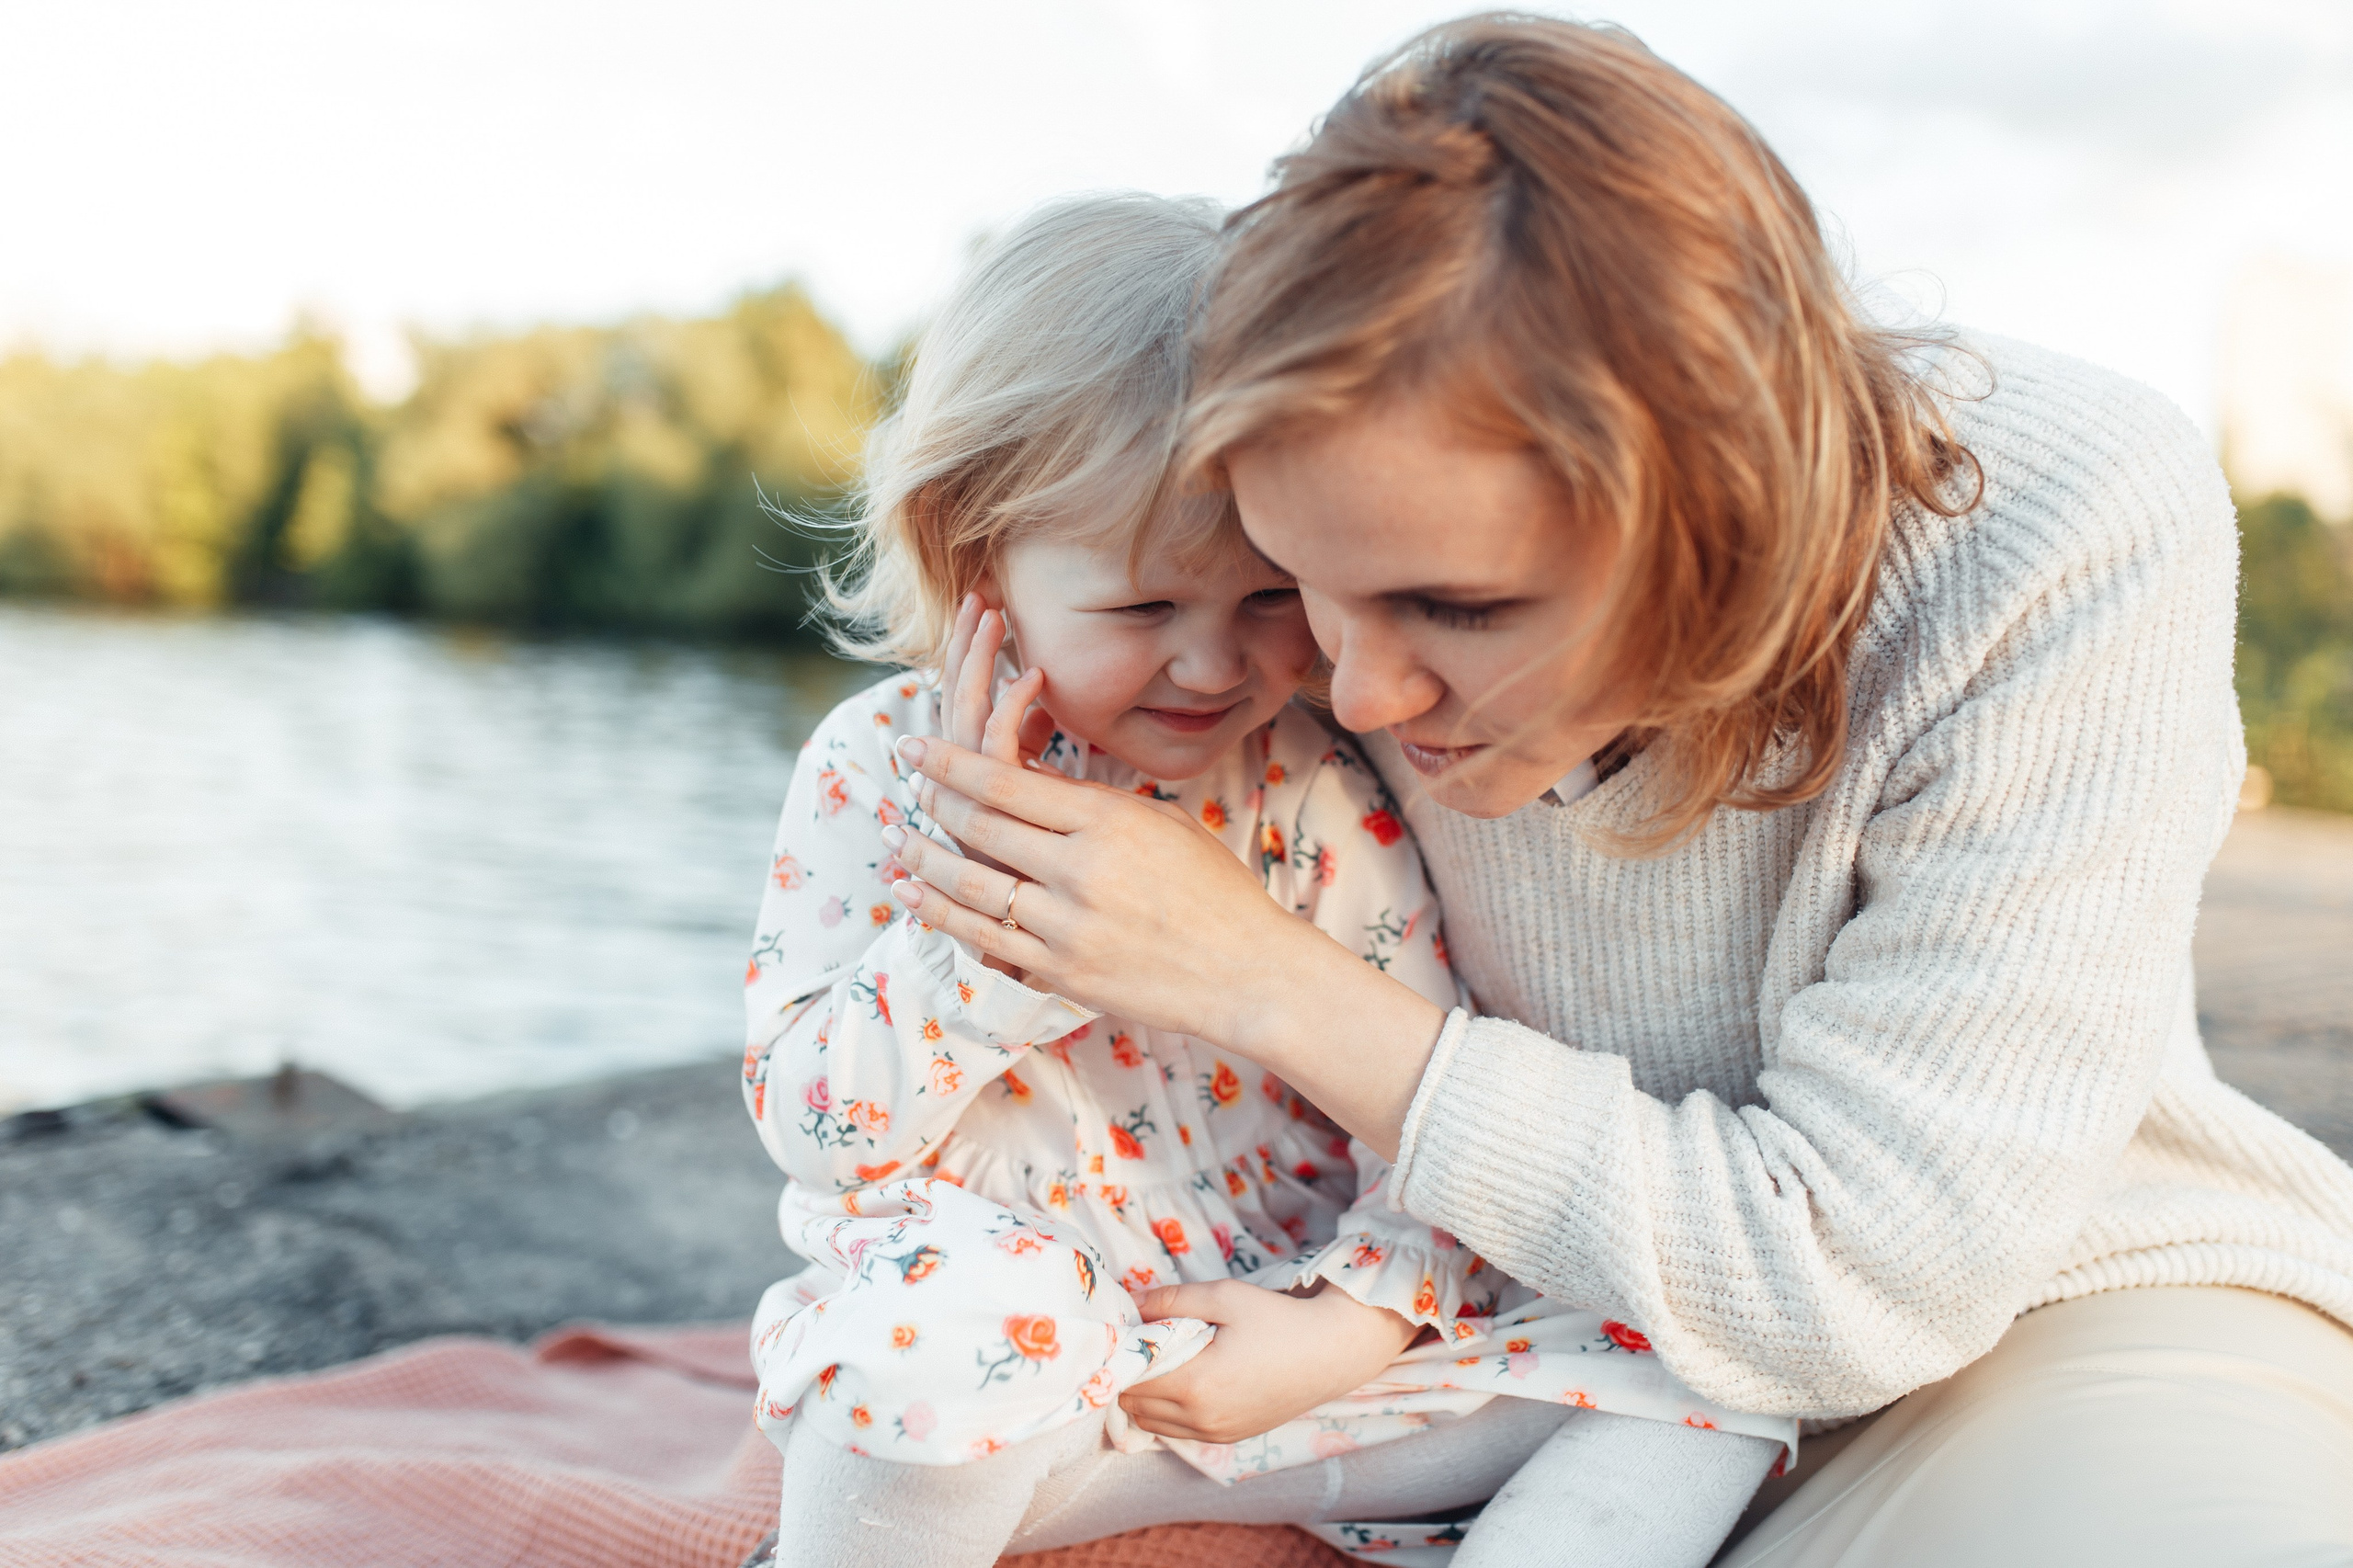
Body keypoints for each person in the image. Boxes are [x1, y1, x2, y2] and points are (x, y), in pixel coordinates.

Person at [876, 18, 2353, 1566]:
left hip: (2052, 1329)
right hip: (1515, 1348)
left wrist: (1274, 982)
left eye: (1459, 610)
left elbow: (1867, 1277)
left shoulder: (2060, 525)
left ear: (1721, 520)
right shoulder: (1324, 544)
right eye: (1298, 583)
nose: (1359, 694)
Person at [738, 192, 1790, 1568]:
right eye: (1140, 610)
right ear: (970, 549)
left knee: (1711, 1371)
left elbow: (1424, 1108)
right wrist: (992, 940)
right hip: (1005, 1371)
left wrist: (1346, 1320)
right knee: (930, 1340)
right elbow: (823, 1127)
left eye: (1269, 597)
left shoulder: (1311, 786)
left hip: (1267, 1353)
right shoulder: (879, 770)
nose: (1213, 666)